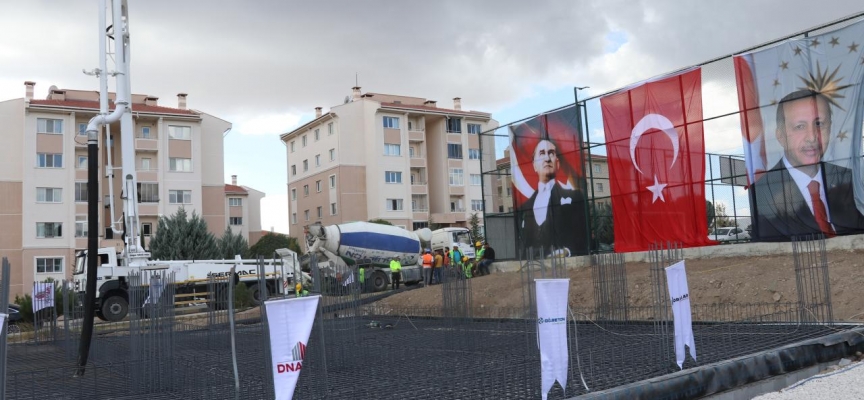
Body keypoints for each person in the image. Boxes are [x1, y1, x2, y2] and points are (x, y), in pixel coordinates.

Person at [753, 89, 864, 241]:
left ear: (830, 129)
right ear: (780, 136)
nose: (812, 137)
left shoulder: (853, 181)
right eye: (800, 126)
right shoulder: (761, 193)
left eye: (819, 124)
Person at [518, 139, 588, 255]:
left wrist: (567, 251)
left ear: (558, 163)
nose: (547, 158)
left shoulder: (574, 196)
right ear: (534, 165)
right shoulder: (526, 206)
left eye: (551, 153)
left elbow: (581, 232)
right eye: (542, 153)